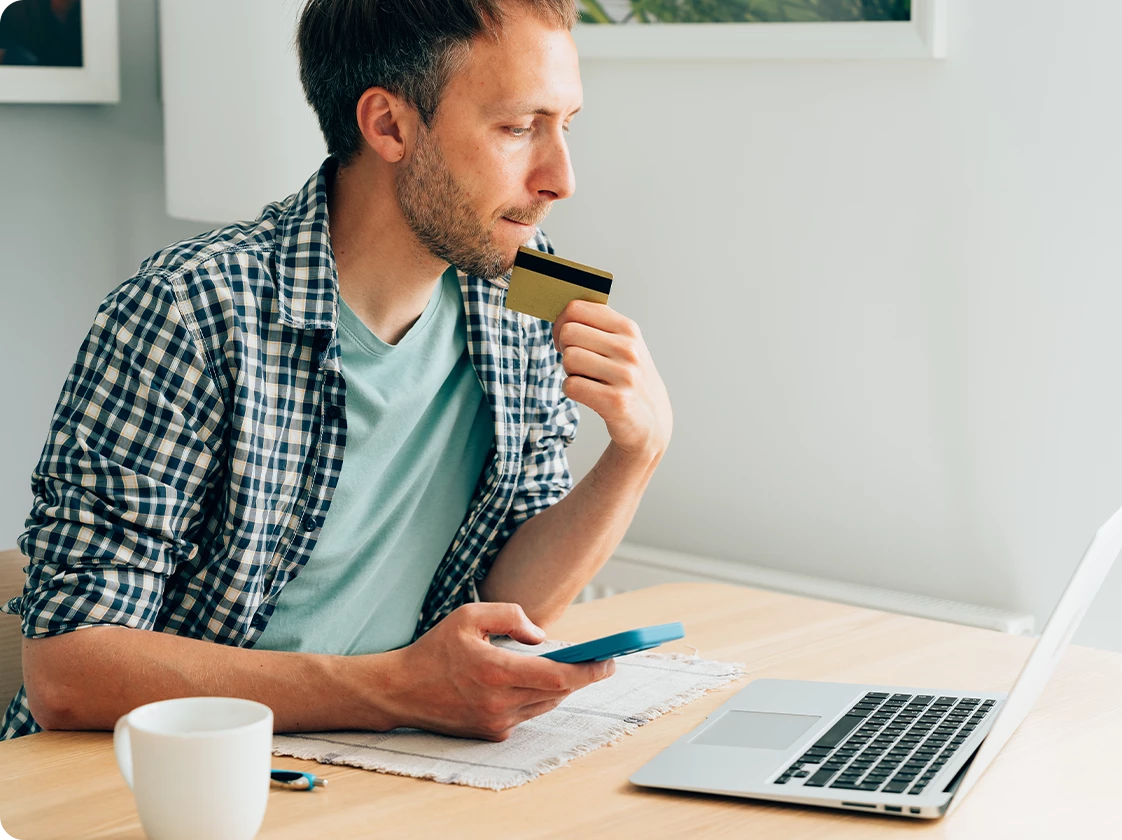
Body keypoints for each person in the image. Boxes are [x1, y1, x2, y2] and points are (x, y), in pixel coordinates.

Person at [2, 0, 672, 742]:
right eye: (518, 128)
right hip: (157, 780)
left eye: (565, 125)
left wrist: (634, 456)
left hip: (368, 764)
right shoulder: (191, 311)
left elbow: (507, 605)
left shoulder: (523, 301)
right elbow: (69, 669)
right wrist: (397, 691)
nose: (561, 179)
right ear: (388, 125)